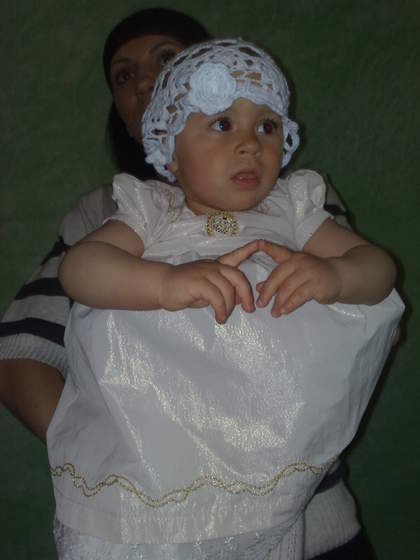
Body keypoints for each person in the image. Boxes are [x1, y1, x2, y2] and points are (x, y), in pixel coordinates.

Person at [0, 8, 390, 560]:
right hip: (160, 484)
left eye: (267, 126)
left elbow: (379, 272)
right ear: (171, 152)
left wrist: (337, 274)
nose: (250, 144)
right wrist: (164, 283)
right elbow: (80, 269)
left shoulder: (295, 208)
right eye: (223, 124)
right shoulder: (147, 211)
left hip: (288, 483)